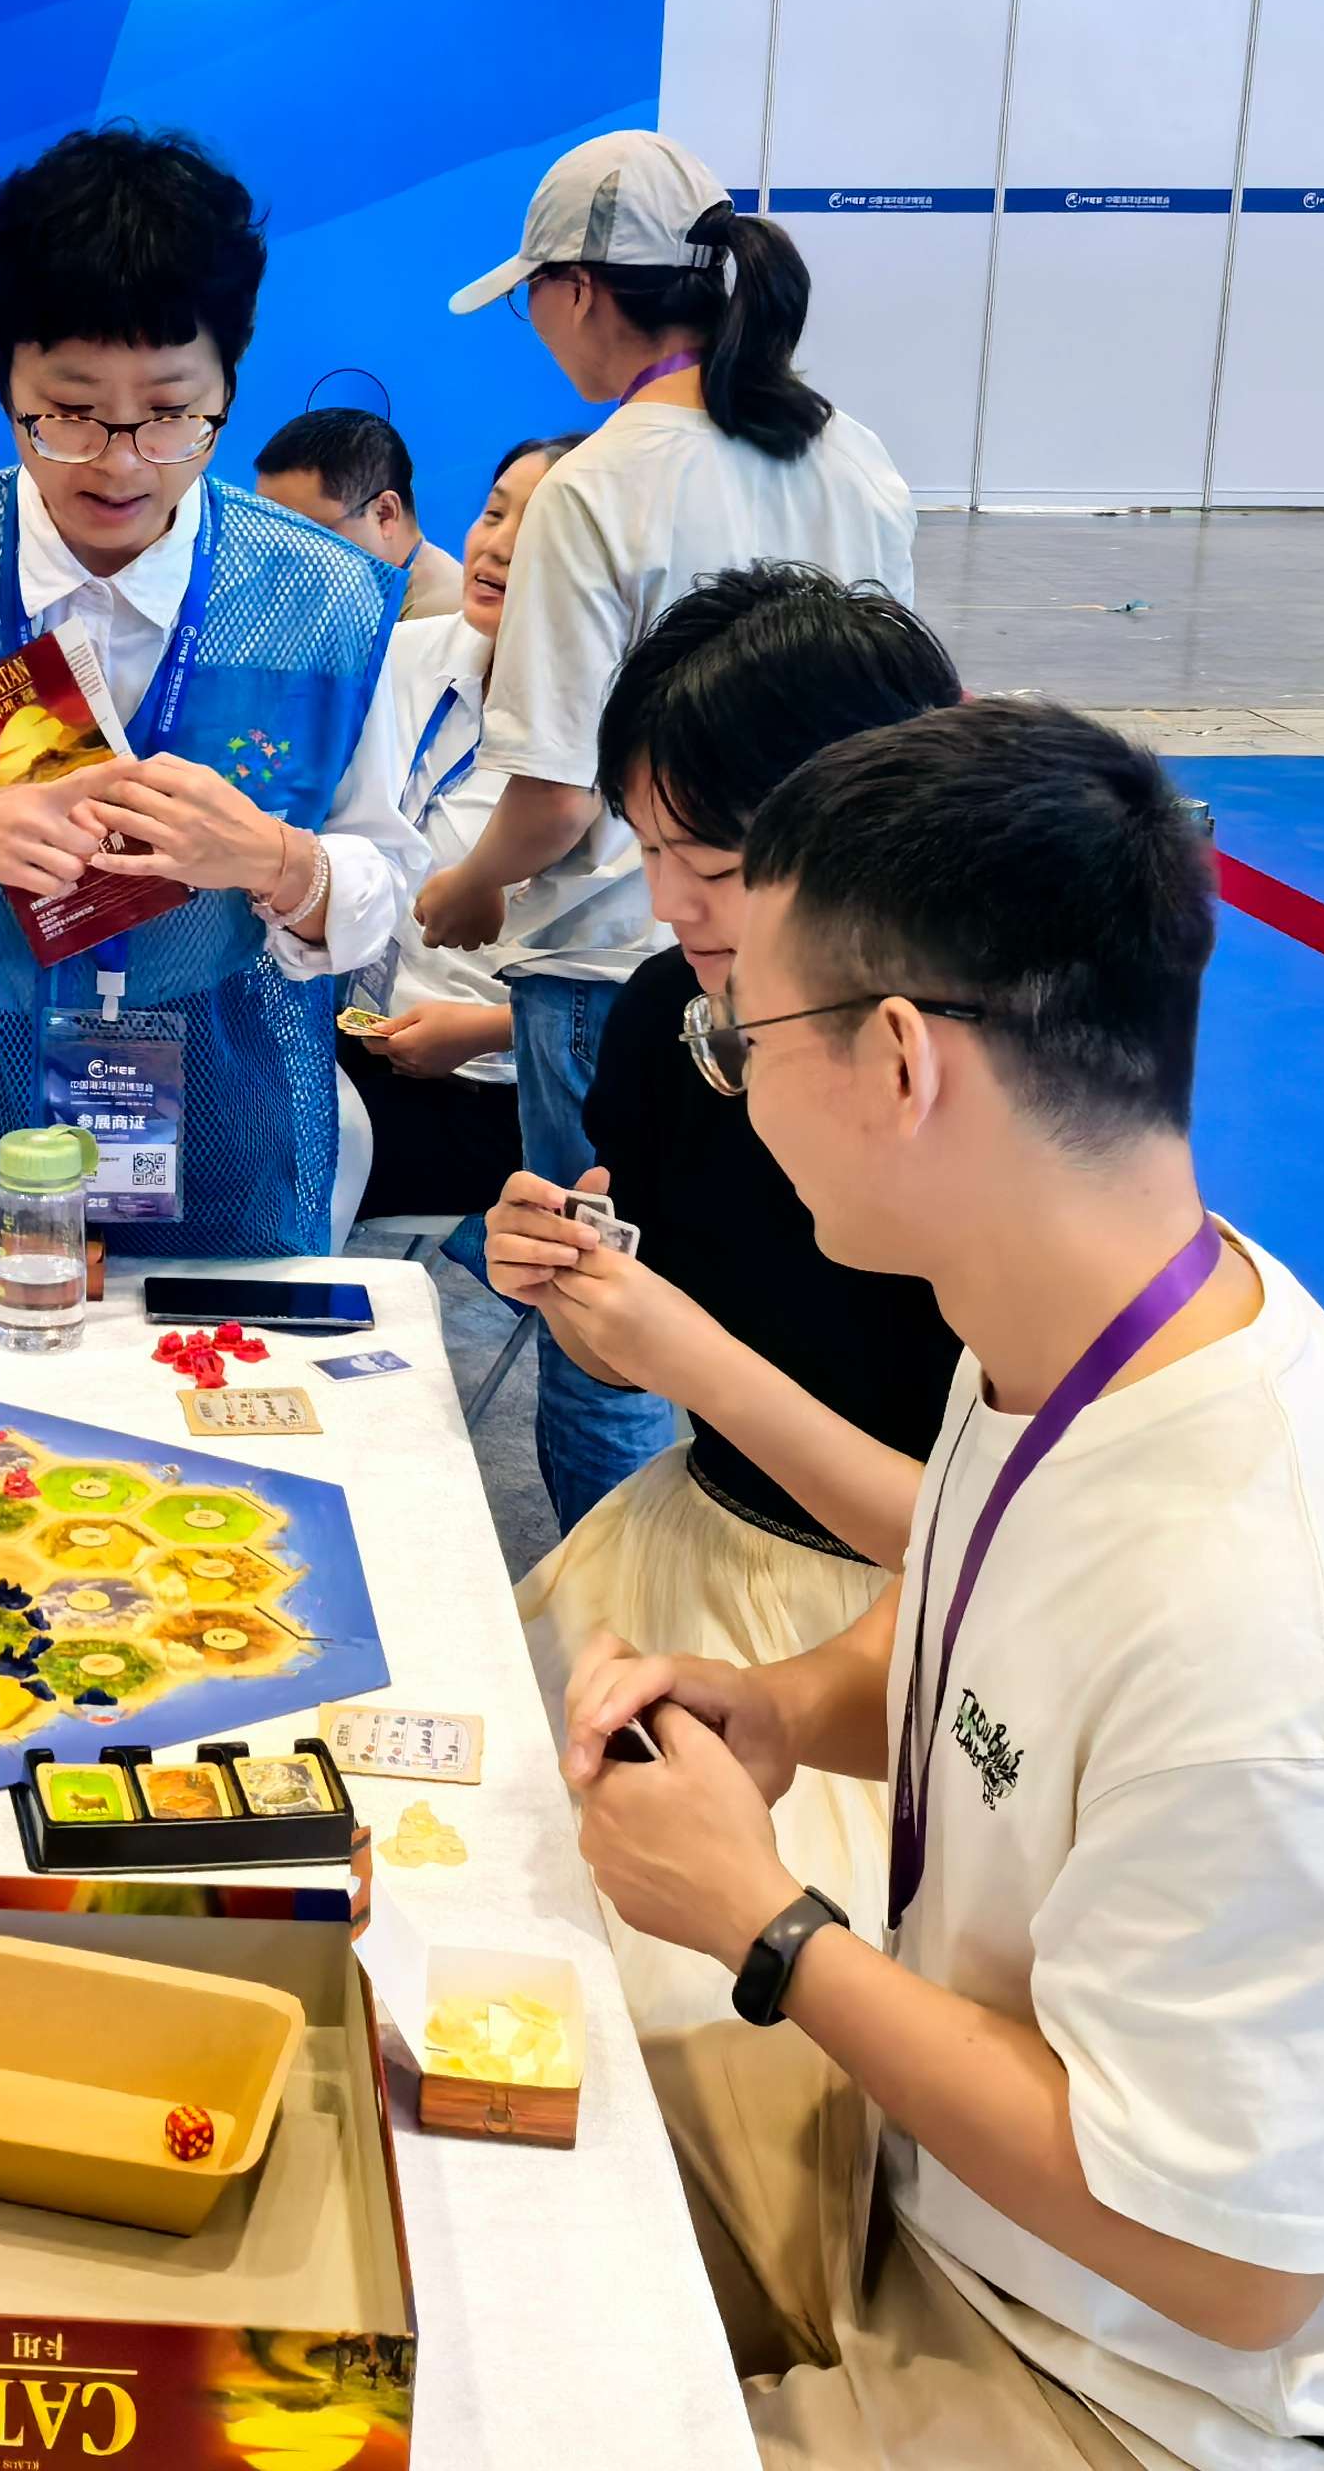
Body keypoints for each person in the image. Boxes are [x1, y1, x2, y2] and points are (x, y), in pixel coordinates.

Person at [559, 700, 1324, 2470]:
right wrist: (777, 1710)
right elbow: (979, 1635)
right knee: (454, 2139)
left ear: (898, 1062)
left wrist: (768, 1926)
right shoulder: (1084, 1317)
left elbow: (1232, 2267)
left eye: (741, 1034)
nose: (732, 1081)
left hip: (1156, 2395)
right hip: (962, 2207)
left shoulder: (1269, 1637)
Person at [0, 126, 427, 1259]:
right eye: (70, 410)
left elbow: (383, 878)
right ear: (3, 380)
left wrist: (278, 862)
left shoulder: (324, 599)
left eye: (172, 412)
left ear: (229, 385)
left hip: (233, 1129)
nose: (121, 461)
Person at [479, 564, 966, 2029]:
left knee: (660, 2019)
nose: (666, 900)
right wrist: (573, 1284)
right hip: (682, 1554)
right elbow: (646, 1347)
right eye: (646, 847)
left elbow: (990, 1556)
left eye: (713, 859)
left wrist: (687, 1355)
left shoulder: (984, 1116)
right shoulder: (666, 1020)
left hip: (895, 1651)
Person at [418, 129, 918, 1535]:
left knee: (609, 1304)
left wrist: (465, 892)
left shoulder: (602, 481)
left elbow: (558, 798)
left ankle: (627, 1595)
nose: (537, 324)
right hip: (832, 961)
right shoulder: (854, 459)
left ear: (579, 291)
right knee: (809, 1284)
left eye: (534, 295)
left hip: (617, 969)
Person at [340, 436, 572, 1215]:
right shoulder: (407, 653)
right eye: (493, 512)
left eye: (538, 528)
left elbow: (641, 990)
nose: (496, 546)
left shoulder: (625, 725)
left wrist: (482, 1031)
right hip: (360, 1033)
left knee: (276, 1166)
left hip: (496, 1088)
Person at [254, 407, 465, 623]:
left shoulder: (447, 623)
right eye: (269, 530)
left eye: (307, 535)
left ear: (384, 514)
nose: (280, 558)